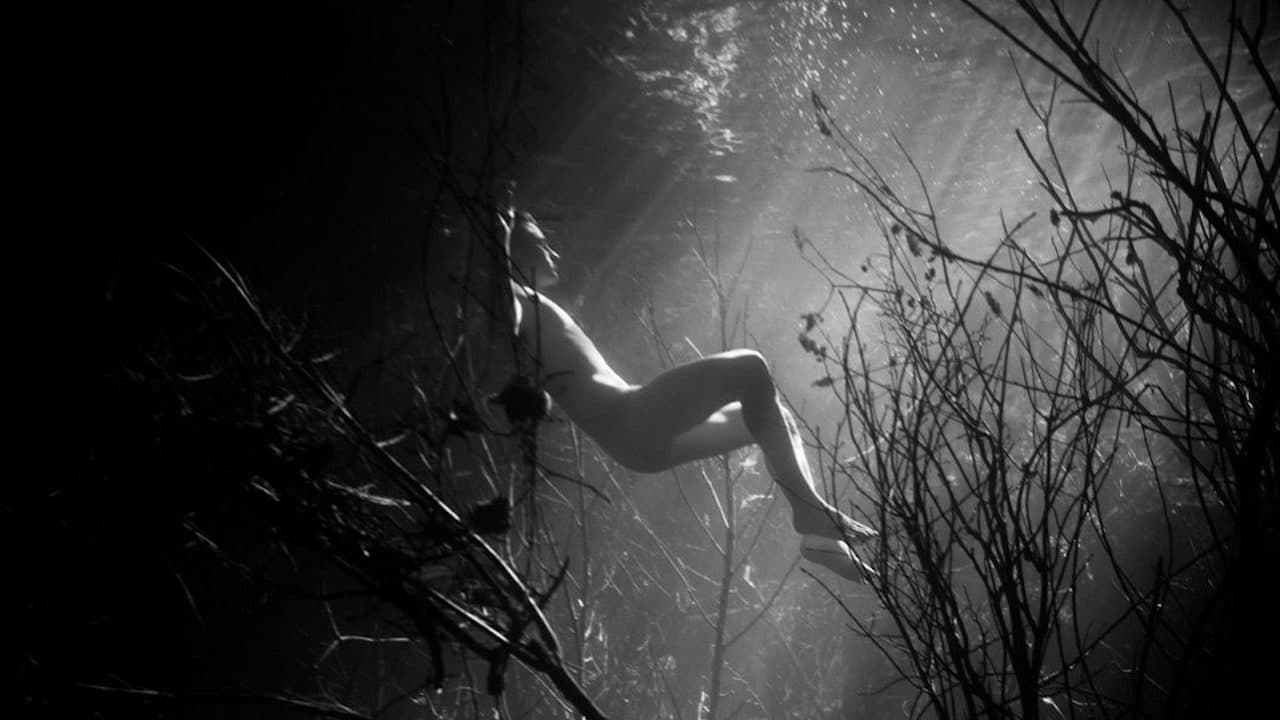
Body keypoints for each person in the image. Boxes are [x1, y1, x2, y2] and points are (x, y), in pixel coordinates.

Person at [492, 208, 876, 581]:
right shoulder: (517, 298)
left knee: (776, 417)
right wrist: (498, 232)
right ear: (516, 251)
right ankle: (808, 513)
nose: (553, 252)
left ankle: (819, 539)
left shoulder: (533, 301)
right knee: (750, 368)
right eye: (541, 244)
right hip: (628, 420)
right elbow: (504, 313)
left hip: (635, 437)